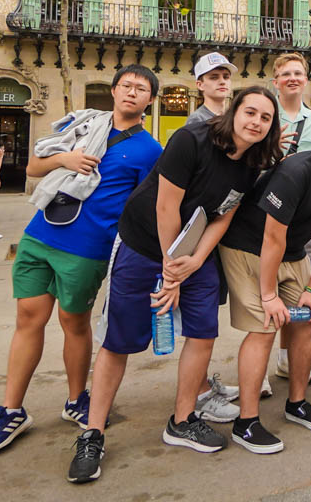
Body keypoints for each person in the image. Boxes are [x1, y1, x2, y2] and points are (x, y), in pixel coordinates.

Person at [69, 87, 280, 478]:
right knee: (120, 340)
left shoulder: (251, 163)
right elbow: (166, 206)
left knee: (203, 332)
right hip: (145, 243)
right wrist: (171, 269)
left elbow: (224, 215)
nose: (256, 122)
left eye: (265, 118)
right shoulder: (191, 139)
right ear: (234, 111)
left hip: (193, 252)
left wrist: (196, 260)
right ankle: (92, 433)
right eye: (250, 112)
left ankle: (182, 420)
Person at [0, 67, 163, 460]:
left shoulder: (150, 151)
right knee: (28, 318)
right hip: (40, 234)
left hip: (88, 247)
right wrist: (67, 158)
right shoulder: (82, 127)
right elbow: (33, 168)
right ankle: (11, 411)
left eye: (141, 89)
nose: (132, 92)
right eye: (126, 85)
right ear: (113, 91)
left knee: (73, 322)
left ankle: (77, 399)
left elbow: (148, 206)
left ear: (150, 100)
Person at [218, 112, 311, 454]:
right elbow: (272, 237)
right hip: (248, 245)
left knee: (307, 321)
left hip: (294, 251)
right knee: (264, 326)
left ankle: (297, 403)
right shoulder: (297, 171)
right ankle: (246, 422)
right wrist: (270, 294)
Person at [270, 53, 311, 387]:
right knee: (263, 293)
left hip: (305, 218)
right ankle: (259, 370)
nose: (293, 78)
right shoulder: (263, 114)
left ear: (305, 79)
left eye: (298, 73)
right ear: (275, 79)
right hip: (267, 214)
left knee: (298, 292)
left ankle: (286, 359)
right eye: (286, 73)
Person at [187, 52, 237, 124]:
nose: (222, 82)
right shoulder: (197, 120)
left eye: (226, 77)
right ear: (200, 85)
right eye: (214, 78)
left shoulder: (233, 118)